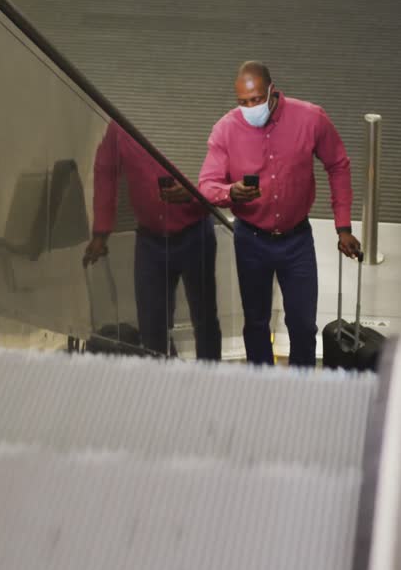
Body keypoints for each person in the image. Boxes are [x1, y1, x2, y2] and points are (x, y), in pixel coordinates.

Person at [199, 61, 359, 367]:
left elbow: (338, 164)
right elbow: (206, 185)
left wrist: (343, 226)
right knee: (256, 323)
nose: (250, 108)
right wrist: (230, 192)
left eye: (256, 99)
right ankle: (264, 388)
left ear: (272, 91)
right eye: (243, 102)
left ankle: (297, 389)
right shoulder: (226, 129)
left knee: (302, 325)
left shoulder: (310, 118)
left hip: (296, 239)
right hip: (250, 239)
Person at [83, 122, 223, 360]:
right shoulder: (121, 126)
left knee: (205, 319)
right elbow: (105, 169)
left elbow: (222, 169)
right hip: (151, 241)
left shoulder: (189, 118)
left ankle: (210, 385)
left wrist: (194, 193)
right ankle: (160, 385)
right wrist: (101, 232)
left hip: (195, 233)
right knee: (151, 325)